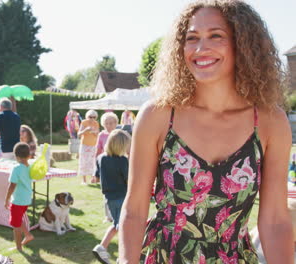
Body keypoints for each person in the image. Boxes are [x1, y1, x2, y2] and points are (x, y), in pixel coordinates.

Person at [118, 1, 293, 263]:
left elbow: (276, 221)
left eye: (216, 35)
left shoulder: (270, 122)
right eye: (192, 38)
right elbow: (134, 209)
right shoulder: (157, 115)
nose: (201, 48)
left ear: (243, 43)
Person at [92, 129, 131, 264]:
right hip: (122, 196)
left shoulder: (101, 158)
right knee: (124, 228)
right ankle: (123, 257)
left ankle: (101, 247)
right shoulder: (122, 161)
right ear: (122, 146)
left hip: (109, 197)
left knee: (117, 224)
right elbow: (128, 180)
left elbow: (96, 177)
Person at [4, 142, 34, 251]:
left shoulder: (16, 168)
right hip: (26, 200)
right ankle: (28, 235)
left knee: (15, 225)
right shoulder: (30, 168)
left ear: (16, 156)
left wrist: (6, 199)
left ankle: (18, 247)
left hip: (17, 201)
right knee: (18, 218)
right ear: (29, 156)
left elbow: (12, 186)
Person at [77, 110, 100, 185]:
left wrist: (95, 132)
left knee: (92, 162)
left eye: (94, 117)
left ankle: (92, 179)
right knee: (84, 161)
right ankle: (84, 180)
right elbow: (79, 134)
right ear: (87, 117)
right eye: (90, 117)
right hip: (84, 145)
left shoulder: (96, 123)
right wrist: (86, 130)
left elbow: (98, 134)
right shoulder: (84, 122)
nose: (92, 119)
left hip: (93, 145)